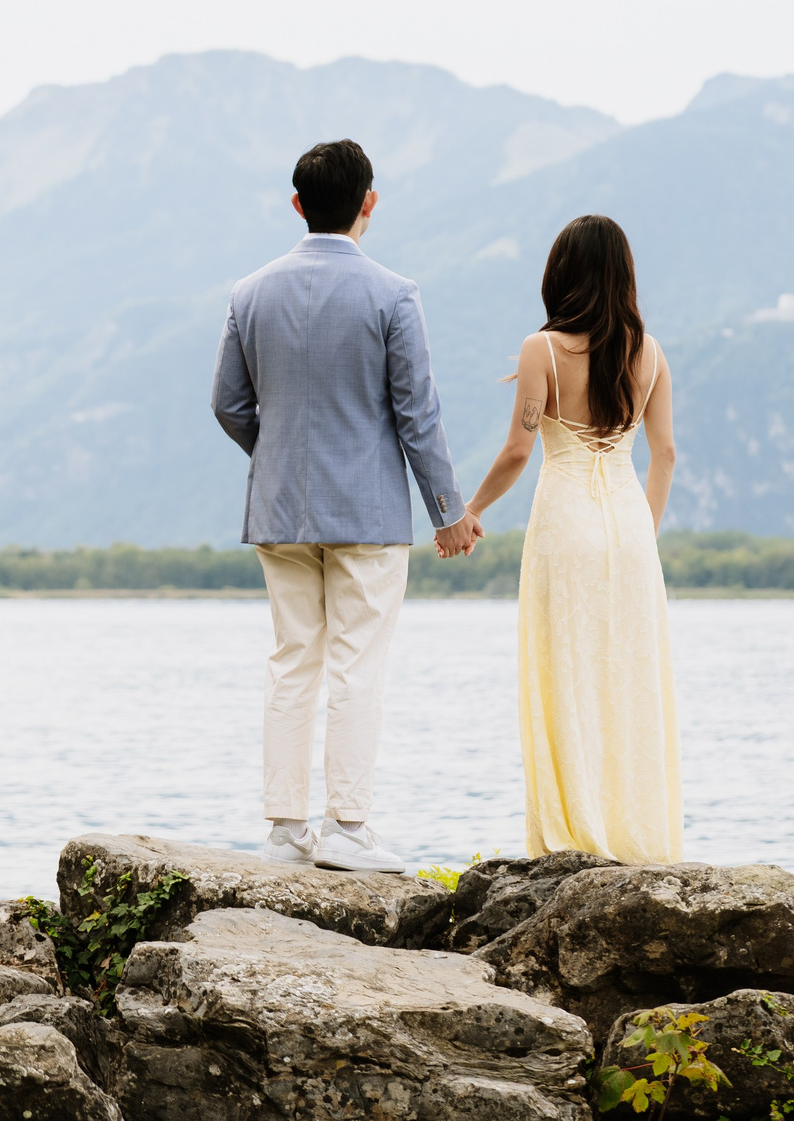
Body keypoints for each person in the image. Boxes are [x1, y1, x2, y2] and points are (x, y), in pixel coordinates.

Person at [212, 139, 479, 873]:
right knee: (358, 664)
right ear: (370, 202)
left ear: (297, 205)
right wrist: (448, 510)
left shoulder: (249, 292)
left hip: (279, 513)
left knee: (292, 659)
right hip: (367, 515)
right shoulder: (393, 294)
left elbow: (229, 405)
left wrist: (276, 460)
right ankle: (349, 828)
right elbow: (417, 414)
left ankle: (284, 830)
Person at [442, 214, 683, 863]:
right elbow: (664, 453)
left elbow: (519, 449)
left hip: (565, 523)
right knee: (629, 679)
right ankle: (636, 835)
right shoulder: (651, 353)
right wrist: (642, 537)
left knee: (565, 673)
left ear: (560, 275)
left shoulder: (541, 349)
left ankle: (573, 838)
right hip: (632, 529)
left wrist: (467, 509)